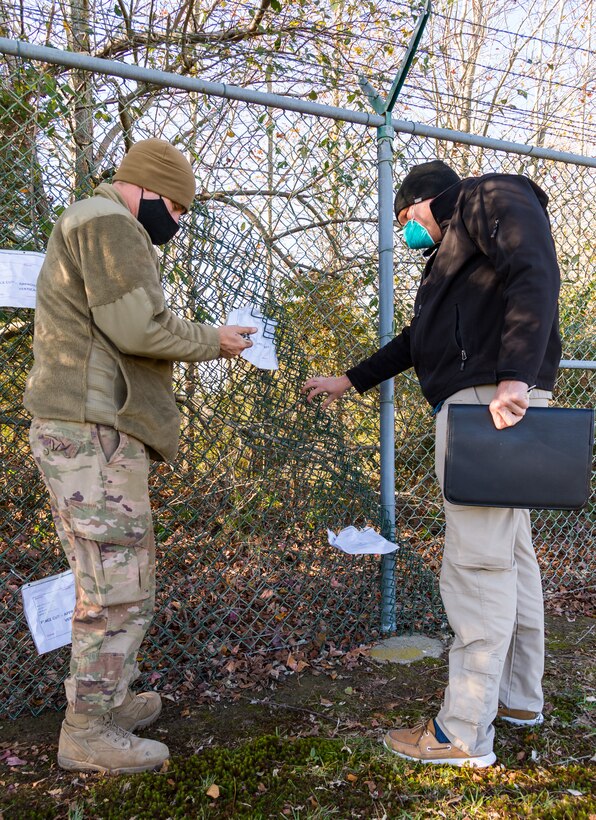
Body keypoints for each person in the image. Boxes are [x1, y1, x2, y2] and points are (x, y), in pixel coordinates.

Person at [302, 159, 561, 767]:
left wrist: (514, 377)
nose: (406, 232)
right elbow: (418, 340)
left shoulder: (487, 197)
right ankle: (519, 698)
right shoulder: (458, 265)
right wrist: (350, 379)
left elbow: (536, 270)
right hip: (493, 404)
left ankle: (461, 732)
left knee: (475, 568)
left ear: (423, 204)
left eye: (404, 219)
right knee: (511, 557)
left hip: (487, 409)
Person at [24, 138, 257, 774]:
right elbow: (139, 330)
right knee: (116, 585)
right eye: (176, 209)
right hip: (91, 429)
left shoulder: (92, 220)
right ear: (148, 191)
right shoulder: (109, 223)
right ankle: (89, 730)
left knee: (112, 574)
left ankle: (108, 699)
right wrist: (215, 339)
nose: (176, 223)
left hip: (87, 428)